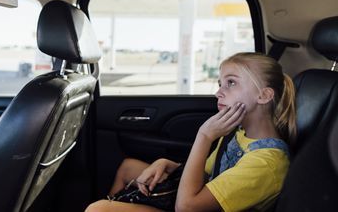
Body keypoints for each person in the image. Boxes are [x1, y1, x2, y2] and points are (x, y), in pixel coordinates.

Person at [86, 52, 296, 212]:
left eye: (231, 83)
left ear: (264, 95)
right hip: (198, 197)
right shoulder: (241, 132)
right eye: (220, 83)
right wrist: (169, 165)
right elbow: (206, 172)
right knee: (128, 167)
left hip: (192, 206)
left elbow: (187, 206)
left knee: (98, 209)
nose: (218, 92)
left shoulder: (266, 162)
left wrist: (204, 137)